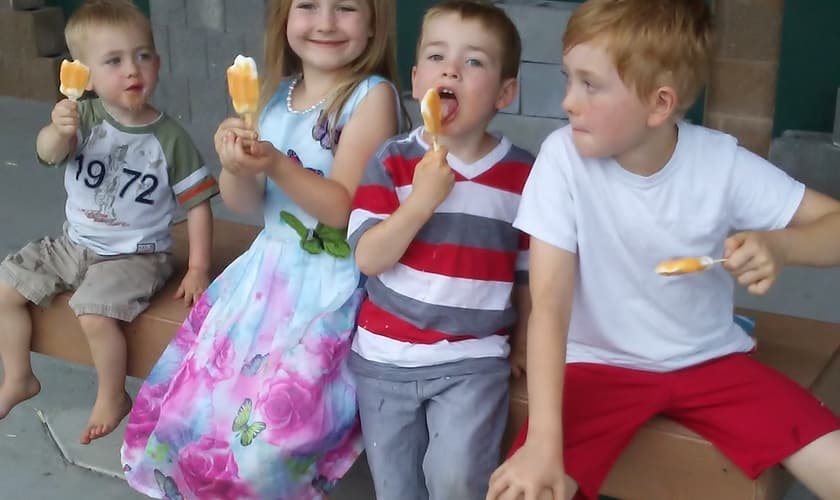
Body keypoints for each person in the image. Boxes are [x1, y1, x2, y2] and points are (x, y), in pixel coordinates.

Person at [485, 1, 840, 499]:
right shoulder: (562, 159)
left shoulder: (720, 162)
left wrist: (782, 246)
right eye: (570, 78)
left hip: (712, 365)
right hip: (595, 368)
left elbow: (834, 225)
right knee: (526, 489)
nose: (568, 101)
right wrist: (544, 440)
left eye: (591, 84)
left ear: (660, 104)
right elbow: (549, 304)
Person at [120, 0, 402, 498]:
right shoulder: (276, 98)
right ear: (283, 19)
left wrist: (273, 162)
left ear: (375, 23)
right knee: (198, 413)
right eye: (308, 5)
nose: (325, 22)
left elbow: (342, 209)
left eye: (346, 8)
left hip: (330, 285)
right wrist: (236, 165)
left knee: (269, 436)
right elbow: (245, 201)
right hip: (265, 277)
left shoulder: (371, 97)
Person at [0, 0, 217, 445]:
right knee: (4, 290)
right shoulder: (82, 119)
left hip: (137, 255)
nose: (132, 69)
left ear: (157, 63)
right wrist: (58, 131)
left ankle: (112, 395)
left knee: (93, 313)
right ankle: (19, 376)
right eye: (113, 60)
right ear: (83, 74)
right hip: (74, 243)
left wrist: (197, 268)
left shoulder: (168, 138)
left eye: (142, 55)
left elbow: (198, 205)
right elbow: (47, 153)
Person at [347, 2, 532, 499]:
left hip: (472, 359)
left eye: (474, 62)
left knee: (456, 481)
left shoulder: (524, 177)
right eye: (436, 56)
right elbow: (369, 258)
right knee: (396, 488)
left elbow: (528, 274)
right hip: (385, 356)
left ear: (505, 92)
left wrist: (526, 341)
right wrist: (421, 203)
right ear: (415, 80)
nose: (450, 68)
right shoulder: (392, 161)